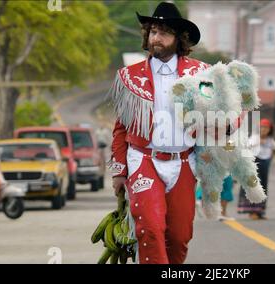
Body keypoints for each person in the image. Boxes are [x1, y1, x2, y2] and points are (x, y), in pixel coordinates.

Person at [109, 2, 207, 264]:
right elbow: (121, 128)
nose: (156, 37)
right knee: (150, 229)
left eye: (163, 32)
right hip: (143, 160)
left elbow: (226, 107)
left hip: (185, 162)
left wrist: (227, 125)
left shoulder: (201, 74)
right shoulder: (129, 77)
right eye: (152, 31)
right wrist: (119, 170)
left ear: (178, 38)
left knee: (179, 236)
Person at [238, 118, 275, 220]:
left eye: (266, 128)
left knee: (263, 188)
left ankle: (260, 212)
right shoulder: (255, 137)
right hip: (255, 164)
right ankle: (252, 211)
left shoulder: (270, 140)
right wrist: (258, 142)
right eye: (262, 127)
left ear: (270, 129)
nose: (264, 130)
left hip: (265, 164)